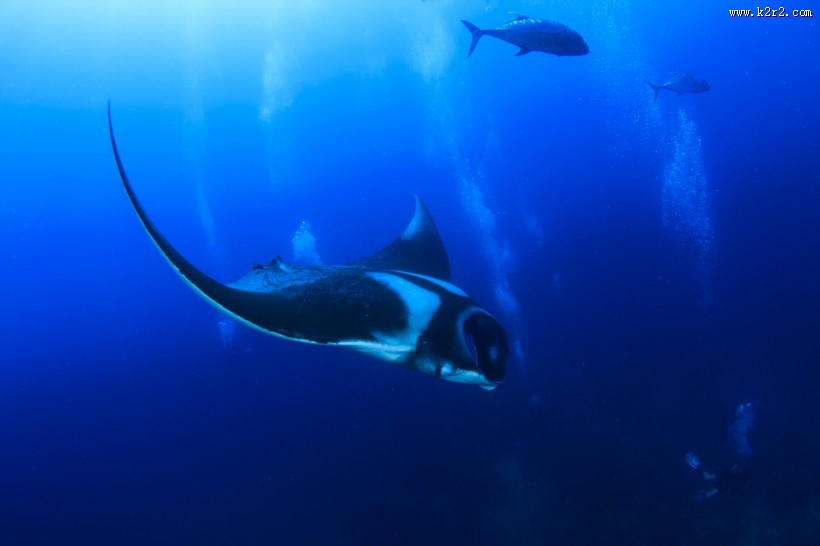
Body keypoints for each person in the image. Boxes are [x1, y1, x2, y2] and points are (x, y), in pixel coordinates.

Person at [685, 402, 754, 500]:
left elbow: (723, 485)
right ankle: (698, 468)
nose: (737, 468)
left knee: (710, 485)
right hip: (724, 482)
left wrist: (705, 494)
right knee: (709, 481)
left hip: (725, 483)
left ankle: (699, 470)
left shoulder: (736, 475)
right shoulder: (735, 472)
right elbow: (722, 480)